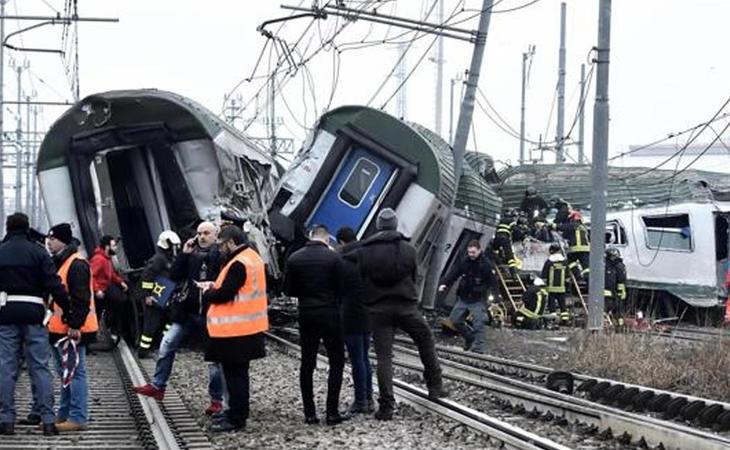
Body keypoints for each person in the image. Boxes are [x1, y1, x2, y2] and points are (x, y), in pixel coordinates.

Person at [346, 208, 447, 421]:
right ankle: (435, 386)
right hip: (406, 307)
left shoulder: (364, 252)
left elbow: (360, 275)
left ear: (379, 227)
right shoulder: (409, 250)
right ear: (395, 225)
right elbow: (413, 276)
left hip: (378, 310)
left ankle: (386, 407)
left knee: (384, 358)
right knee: (426, 341)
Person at [134, 222, 226, 416]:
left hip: (211, 313)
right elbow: (175, 275)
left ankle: (217, 400)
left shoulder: (221, 255)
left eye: (206, 233)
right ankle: (158, 386)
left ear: (215, 235)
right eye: (199, 233)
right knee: (167, 343)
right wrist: (184, 254)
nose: (201, 236)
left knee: (215, 359)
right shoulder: (190, 254)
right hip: (188, 311)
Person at [0, 213, 70, 436]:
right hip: (34, 314)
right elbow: (55, 285)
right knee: (39, 367)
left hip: (6, 314)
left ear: (7, 228)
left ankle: (6, 421)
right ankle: (48, 421)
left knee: (6, 367)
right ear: (27, 228)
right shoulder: (39, 252)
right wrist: (68, 310)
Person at [199, 225, 268, 432]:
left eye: (221, 244)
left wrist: (208, 293)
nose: (219, 248)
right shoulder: (252, 257)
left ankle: (236, 418)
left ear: (230, 242)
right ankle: (236, 413)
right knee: (239, 375)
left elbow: (225, 294)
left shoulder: (238, 263)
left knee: (235, 377)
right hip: (247, 327)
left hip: (234, 331)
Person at [283, 224, 349, 425]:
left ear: (310, 237)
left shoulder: (295, 258)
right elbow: (343, 288)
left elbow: (288, 290)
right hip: (330, 313)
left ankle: (310, 413)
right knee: (337, 362)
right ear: (327, 239)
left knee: (307, 363)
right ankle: (332, 412)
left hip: (307, 314)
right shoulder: (335, 258)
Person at [45, 223, 98, 432]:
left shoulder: (75, 264)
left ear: (63, 241)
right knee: (65, 372)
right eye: (49, 238)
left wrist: (75, 325)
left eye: (53, 238)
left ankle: (77, 416)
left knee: (75, 373)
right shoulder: (63, 262)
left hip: (72, 329)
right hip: (60, 328)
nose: (49, 242)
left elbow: (81, 297)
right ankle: (65, 414)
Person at [335, 226, 373, 415]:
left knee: (356, 359)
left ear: (342, 242)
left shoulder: (343, 261)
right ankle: (369, 399)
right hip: (368, 313)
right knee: (365, 358)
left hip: (350, 315)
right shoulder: (368, 257)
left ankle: (360, 401)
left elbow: (338, 291)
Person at [438, 240, 496, 354]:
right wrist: (445, 283)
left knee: (479, 323)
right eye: (469, 252)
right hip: (464, 297)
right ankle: (469, 337)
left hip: (478, 299)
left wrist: (495, 297)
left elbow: (493, 282)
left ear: (479, 250)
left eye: (473, 252)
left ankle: (478, 349)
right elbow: (454, 273)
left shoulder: (486, 264)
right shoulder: (465, 262)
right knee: (454, 320)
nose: (471, 255)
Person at [137, 230, 180, 359]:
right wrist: (147, 295)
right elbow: (146, 277)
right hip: (156, 296)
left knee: (169, 320)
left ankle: (162, 344)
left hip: (164, 295)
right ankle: (143, 351)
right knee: (151, 324)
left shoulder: (167, 258)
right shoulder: (158, 259)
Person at [89, 235, 127, 316]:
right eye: (113, 246)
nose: (115, 248)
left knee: (122, 299)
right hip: (101, 291)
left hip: (105, 288)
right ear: (107, 247)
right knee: (121, 301)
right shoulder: (99, 259)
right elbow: (90, 275)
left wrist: (120, 282)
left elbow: (111, 273)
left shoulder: (106, 258)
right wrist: (97, 290)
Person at [541, 243, 570, 324]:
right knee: (563, 306)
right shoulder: (564, 261)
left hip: (551, 289)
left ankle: (552, 320)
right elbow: (567, 277)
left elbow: (544, 276)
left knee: (552, 306)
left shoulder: (549, 262)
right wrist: (567, 288)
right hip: (562, 288)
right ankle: (565, 320)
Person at [560, 211, 590, 280]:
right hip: (586, 250)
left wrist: (552, 226)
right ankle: (587, 280)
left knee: (570, 262)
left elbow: (563, 228)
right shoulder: (584, 227)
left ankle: (577, 275)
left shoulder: (574, 225)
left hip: (575, 249)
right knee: (586, 267)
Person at [604, 247, 627, 328]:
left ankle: (619, 326)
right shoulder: (613, 265)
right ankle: (619, 325)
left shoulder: (618, 266)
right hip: (615, 293)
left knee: (617, 310)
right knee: (618, 311)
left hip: (615, 293)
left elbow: (621, 281)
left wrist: (619, 293)